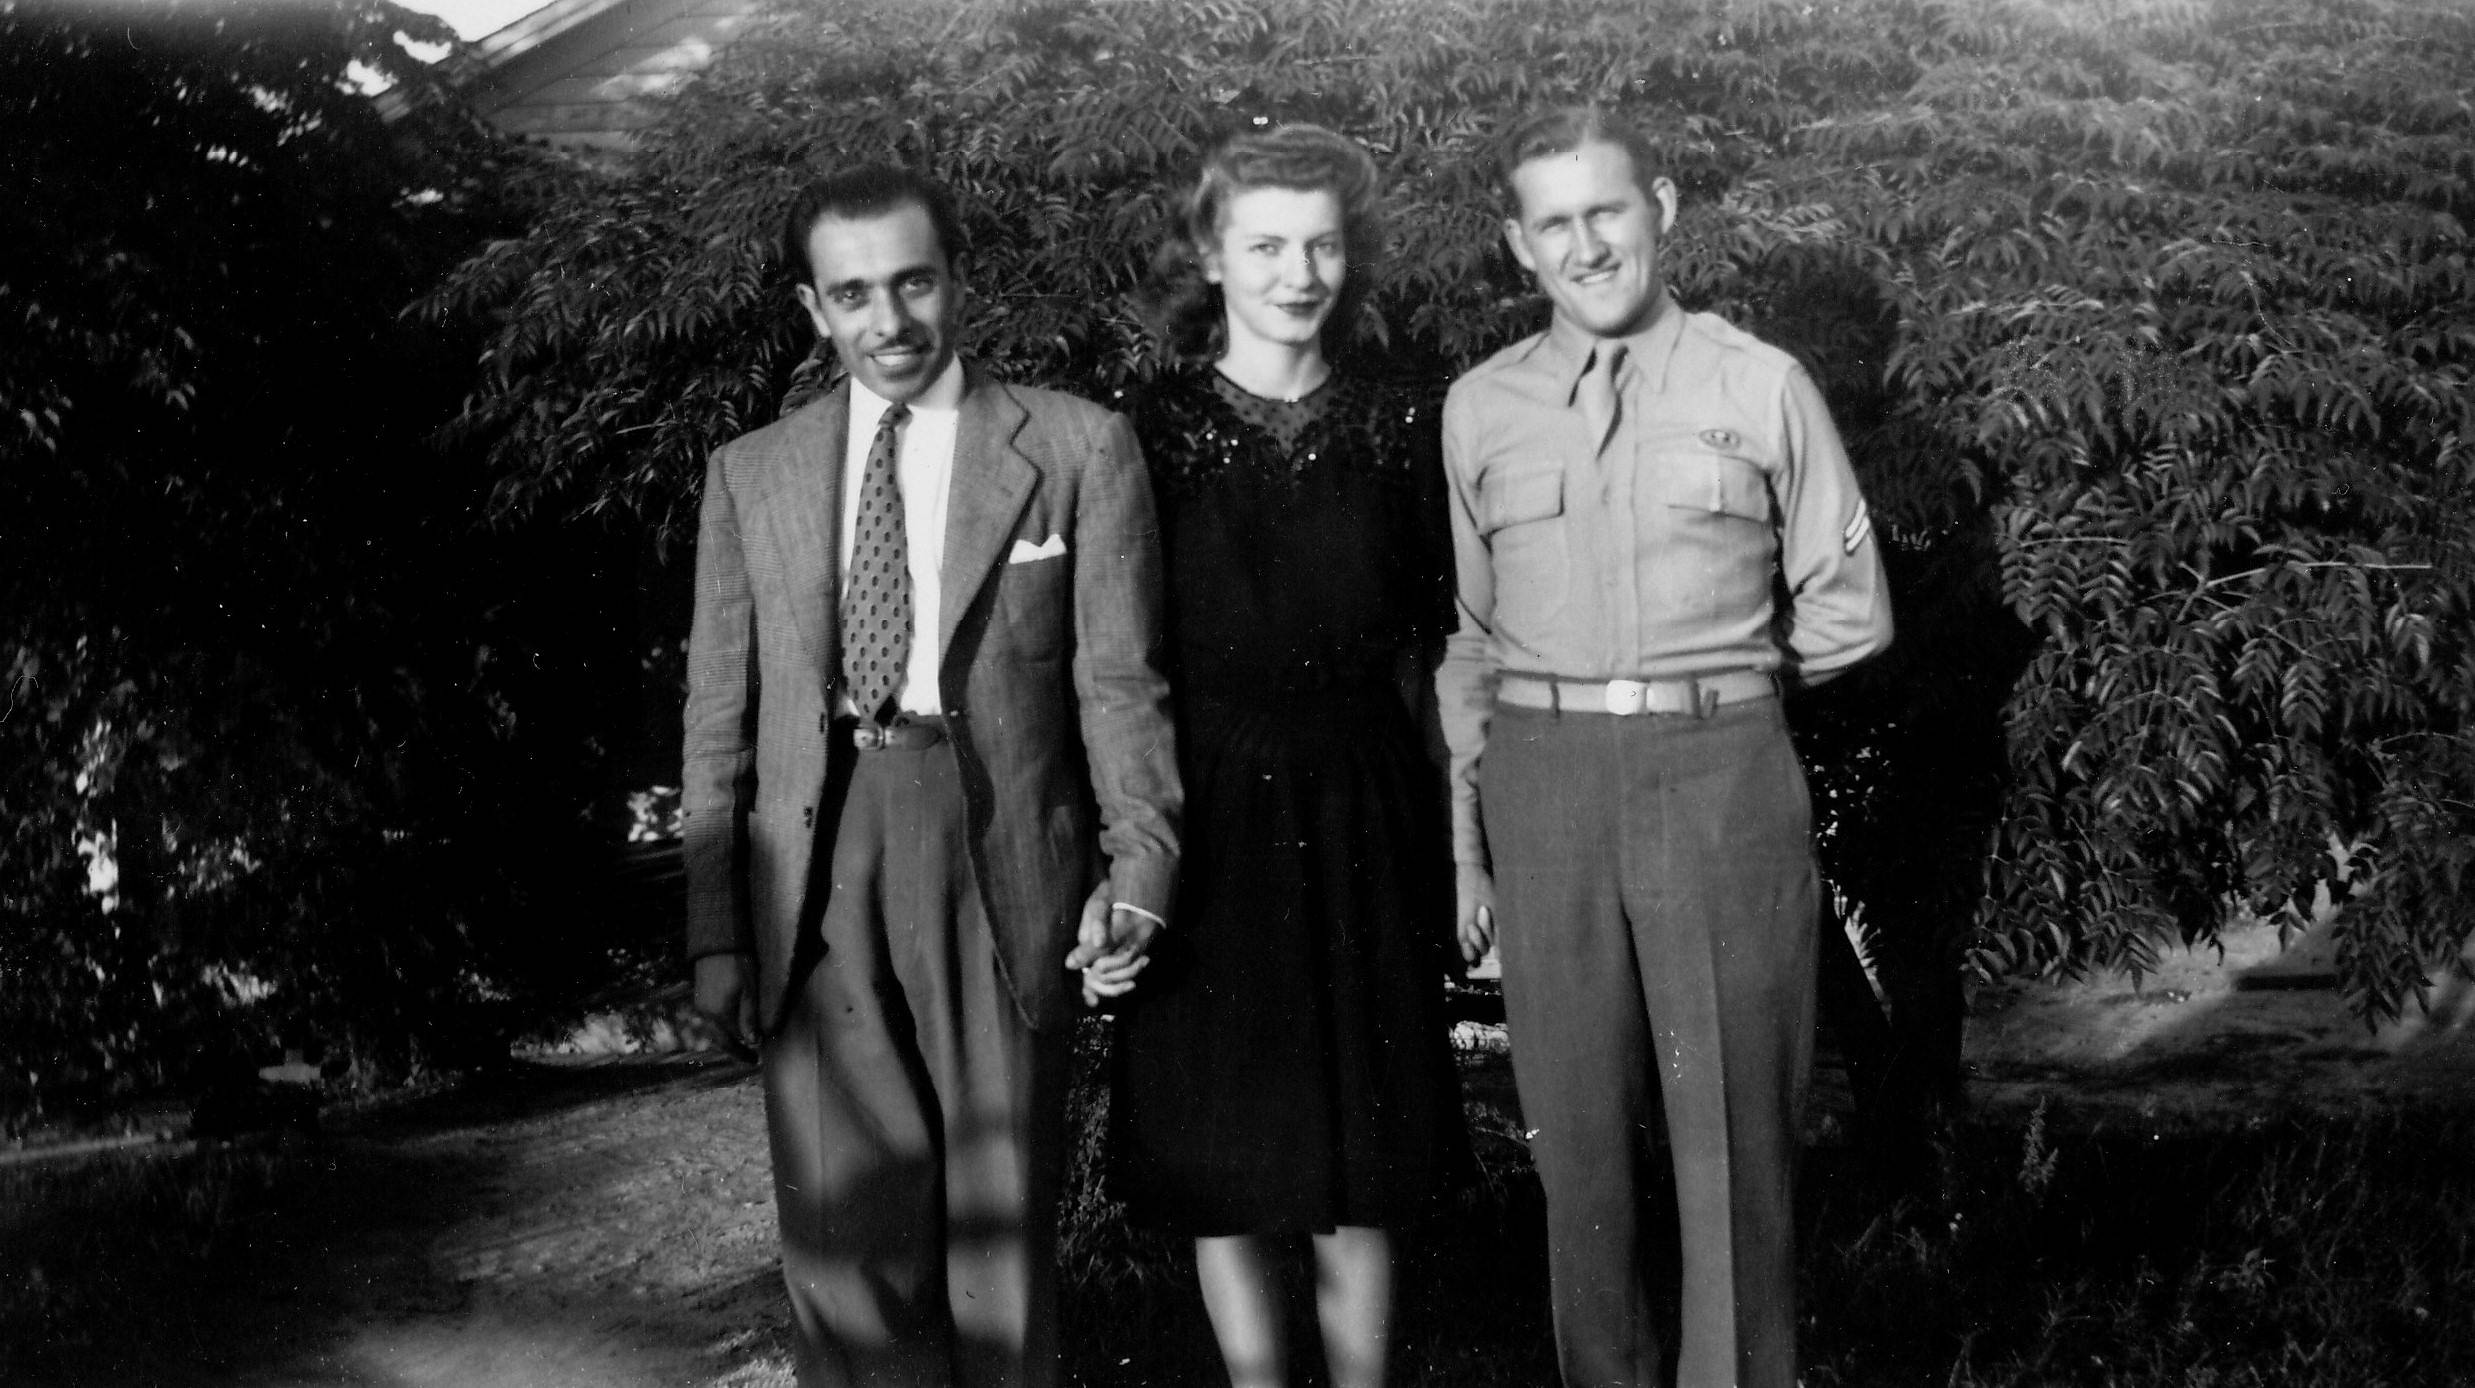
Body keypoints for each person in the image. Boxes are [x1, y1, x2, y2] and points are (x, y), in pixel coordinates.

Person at [683, 164, 1181, 1388]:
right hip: (815, 857)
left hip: (996, 851)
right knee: (843, 1233)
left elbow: (1120, 684)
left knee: (997, 1235)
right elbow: (719, 715)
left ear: (957, 279)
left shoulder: (1073, 445)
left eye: (913, 282)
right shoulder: (753, 472)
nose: (889, 319)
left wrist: (1139, 867)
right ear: (814, 310)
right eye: (853, 294)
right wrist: (715, 929)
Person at [1436, 107, 1894, 1388]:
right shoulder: (1480, 408)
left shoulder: (1761, 384)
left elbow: (1851, 612)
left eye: (1609, 211)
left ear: (1664, 209)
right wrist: (1468, 841)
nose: (1587, 245)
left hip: (1719, 770)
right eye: (1555, 223)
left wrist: (1723, 683)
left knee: (1735, 1138)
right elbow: (1472, 638)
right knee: (1576, 1146)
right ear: (1519, 243)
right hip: (1545, 782)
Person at [1097, 123, 1471, 1388]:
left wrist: (1461, 851)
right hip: (1207, 819)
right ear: (1211, 255)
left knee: (1361, 1147)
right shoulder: (1143, 432)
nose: (1298, 274)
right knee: (1227, 1156)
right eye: (1265, 246)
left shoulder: (1404, 421)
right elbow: (1118, 662)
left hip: (1364, 803)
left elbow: (1434, 653)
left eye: (1322, 246)